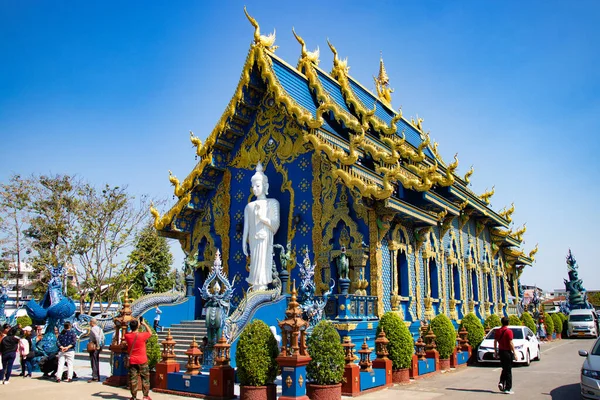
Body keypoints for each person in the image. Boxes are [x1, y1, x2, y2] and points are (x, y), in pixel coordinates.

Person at [242, 162, 280, 291]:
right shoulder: (249, 206)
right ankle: (255, 286)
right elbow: (246, 227)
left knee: (263, 263)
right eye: (253, 186)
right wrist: (243, 243)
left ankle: (262, 287)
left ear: (265, 186)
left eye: (258, 186)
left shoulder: (272, 203)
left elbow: (275, 224)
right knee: (255, 264)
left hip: (265, 238)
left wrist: (263, 218)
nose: (255, 189)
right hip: (253, 239)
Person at [124, 317, 153, 400]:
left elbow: (129, 332)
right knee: (145, 379)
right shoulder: (142, 335)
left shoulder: (127, 336)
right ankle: (145, 396)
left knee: (133, 379)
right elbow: (150, 332)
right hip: (142, 360)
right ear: (138, 326)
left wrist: (135, 326)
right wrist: (143, 324)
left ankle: (133, 397)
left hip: (132, 361)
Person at [494, 316, 517, 394]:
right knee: (508, 370)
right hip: (507, 351)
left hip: (501, 351)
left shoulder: (498, 331)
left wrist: (495, 351)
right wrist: (515, 353)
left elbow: (495, 341)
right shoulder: (509, 331)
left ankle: (501, 382)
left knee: (504, 368)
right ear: (508, 323)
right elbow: (511, 343)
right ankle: (508, 388)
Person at [88, 318, 104, 382]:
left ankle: (95, 377)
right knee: (96, 361)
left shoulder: (93, 329)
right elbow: (103, 337)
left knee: (93, 361)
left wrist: (97, 345)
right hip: (99, 345)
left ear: (92, 322)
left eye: (90, 322)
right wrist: (101, 346)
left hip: (94, 346)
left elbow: (97, 336)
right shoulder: (100, 329)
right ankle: (97, 375)